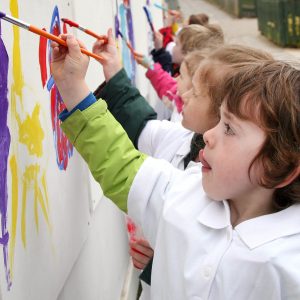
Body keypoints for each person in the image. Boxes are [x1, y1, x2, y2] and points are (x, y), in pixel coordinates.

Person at [51, 34, 300, 299]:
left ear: (279, 166)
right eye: (219, 120)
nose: (208, 135)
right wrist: (72, 85)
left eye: (229, 128)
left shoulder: (289, 266)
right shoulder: (183, 192)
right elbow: (119, 162)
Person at [136, 24, 224, 121]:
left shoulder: (184, 116)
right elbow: (168, 84)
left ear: (188, 52)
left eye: (177, 44)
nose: (176, 78)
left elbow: (169, 85)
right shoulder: (186, 91)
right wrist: (151, 65)